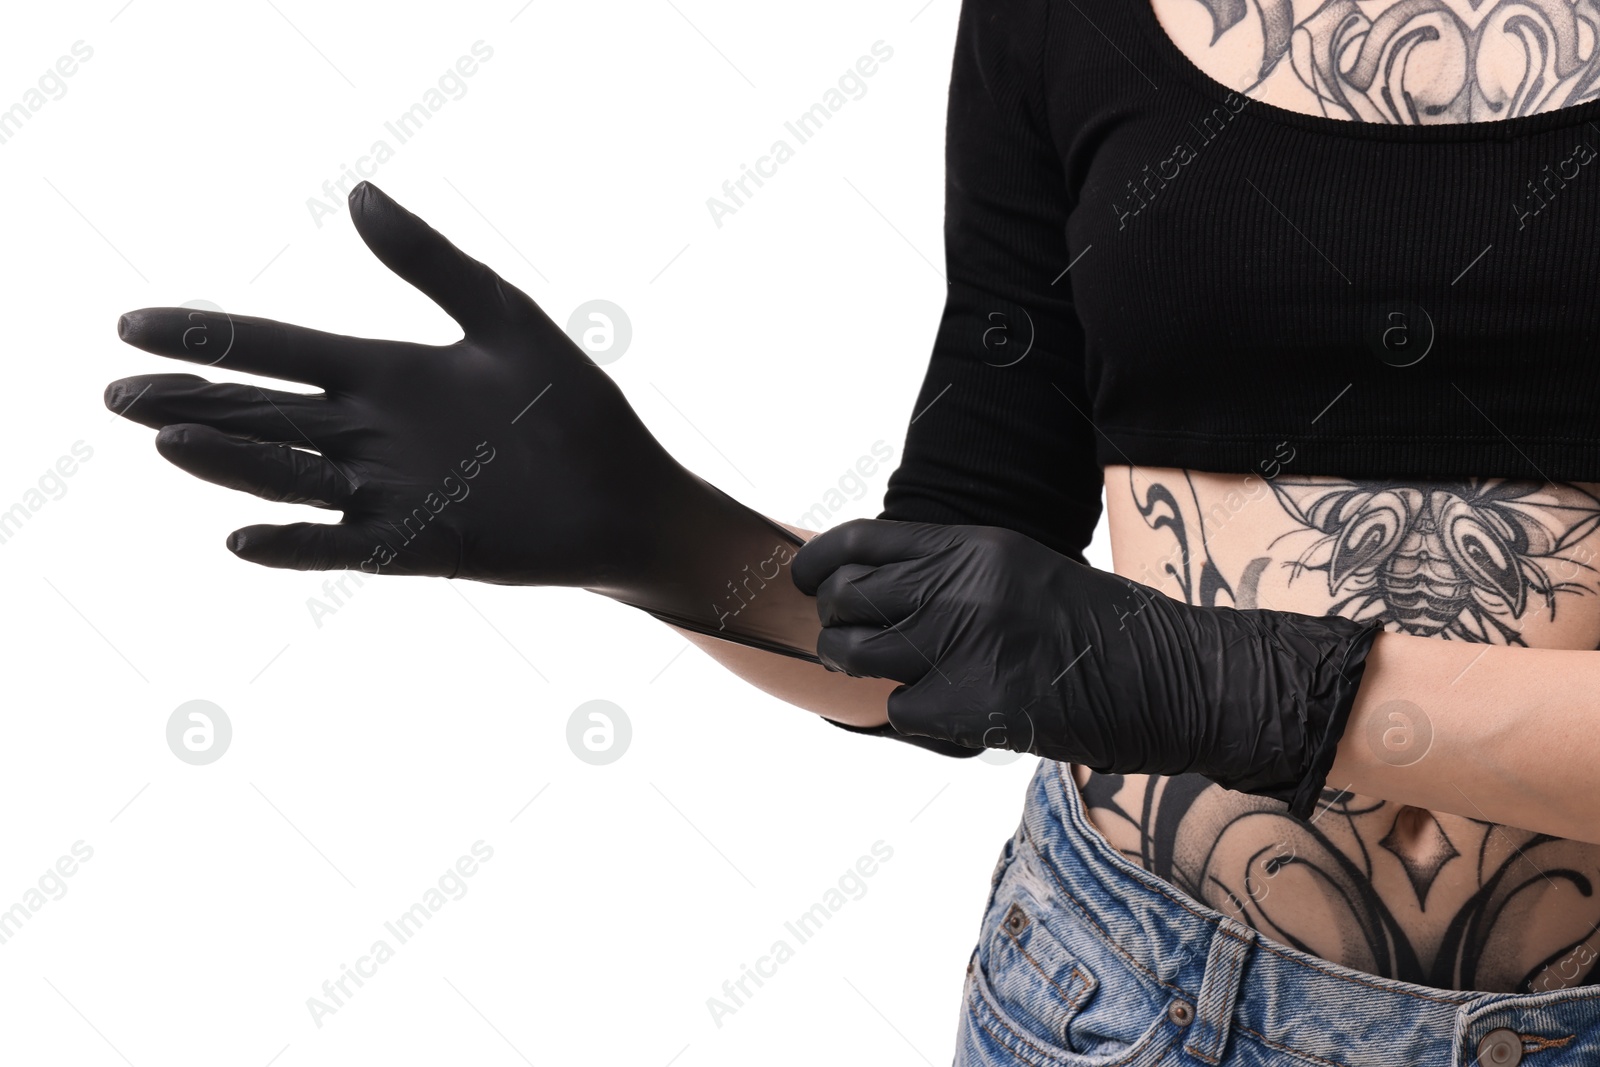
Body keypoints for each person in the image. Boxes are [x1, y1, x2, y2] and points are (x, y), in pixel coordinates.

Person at [104, 0, 1600, 1062]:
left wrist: (1237, 687)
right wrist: (653, 533)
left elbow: (1117, 660)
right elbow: (955, 628)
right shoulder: (1057, 18)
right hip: (1134, 1002)